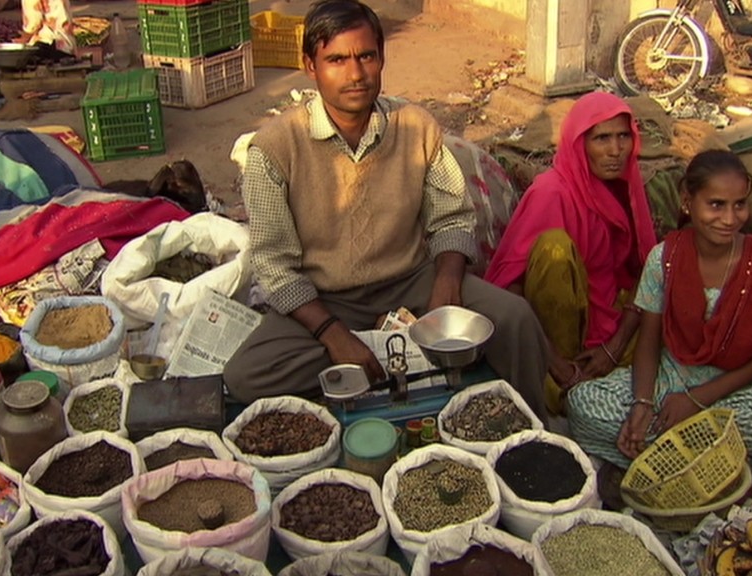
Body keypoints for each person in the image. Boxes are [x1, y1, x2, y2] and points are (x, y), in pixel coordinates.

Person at [222, 0, 550, 418]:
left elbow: (451, 215)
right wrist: (332, 334)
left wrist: (447, 282)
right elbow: (275, 266)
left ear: (381, 58)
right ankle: (382, 351)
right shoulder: (274, 149)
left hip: (410, 281)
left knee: (516, 320)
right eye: (337, 59)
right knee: (247, 374)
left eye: (366, 56)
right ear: (310, 66)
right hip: (326, 298)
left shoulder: (415, 126)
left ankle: (531, 430)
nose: (356, 73)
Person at [567, 150, 752, 481]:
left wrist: (696, 401)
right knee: (582, 403)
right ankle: (712, 469)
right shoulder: (665, 258)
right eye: (716, 204)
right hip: (671, 378)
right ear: (687, 201)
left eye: (739, 204)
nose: (730, 218)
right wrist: (643, 403)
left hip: (731, 393)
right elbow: (649, 339)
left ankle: (665, 464)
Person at [484, 92, 657, 415]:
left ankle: (586, 378)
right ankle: (561, 378)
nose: (616, 150)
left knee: (668, 333)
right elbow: (510, 286)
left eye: (623, 137)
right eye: (602, 138)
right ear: (579, 144)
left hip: (606, 316)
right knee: (555, 248)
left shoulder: (625, 187)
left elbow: (645, 274)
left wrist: (613, 347)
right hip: (550, 332)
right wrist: (556, 362)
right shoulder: (551, 192)